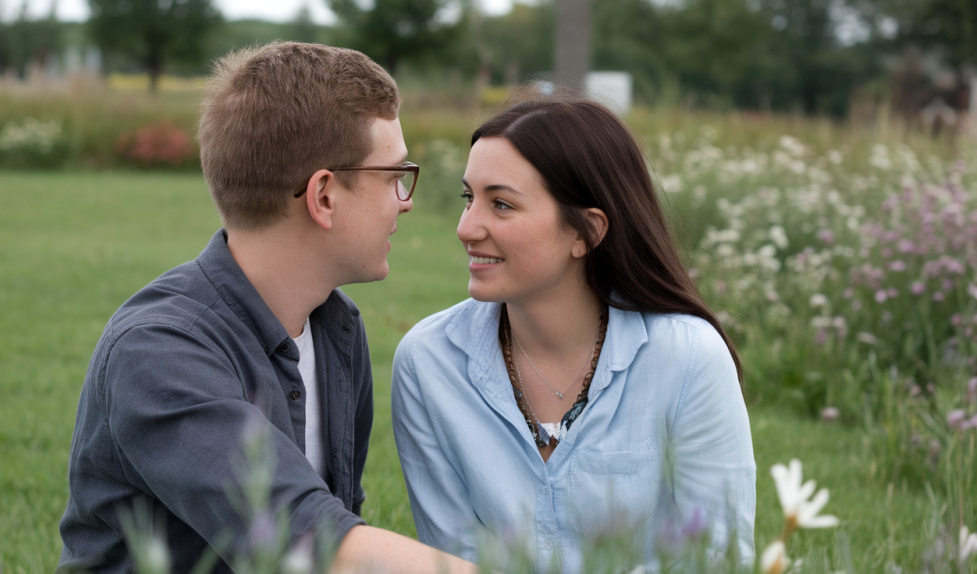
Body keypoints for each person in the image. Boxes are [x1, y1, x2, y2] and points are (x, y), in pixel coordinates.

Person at [57, 42, 475, 574]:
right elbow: (301, 538)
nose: (406, 199)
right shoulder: (157, 349)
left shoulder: (336, 330)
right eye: (394, 175)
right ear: (324, 195)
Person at [391, 98, 756, 573]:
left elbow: (717, 557)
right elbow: (455, 559)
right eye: (468, 198)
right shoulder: (428, 362)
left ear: (586, 231)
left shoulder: (688, 357)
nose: (466, 227)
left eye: (501, 204)